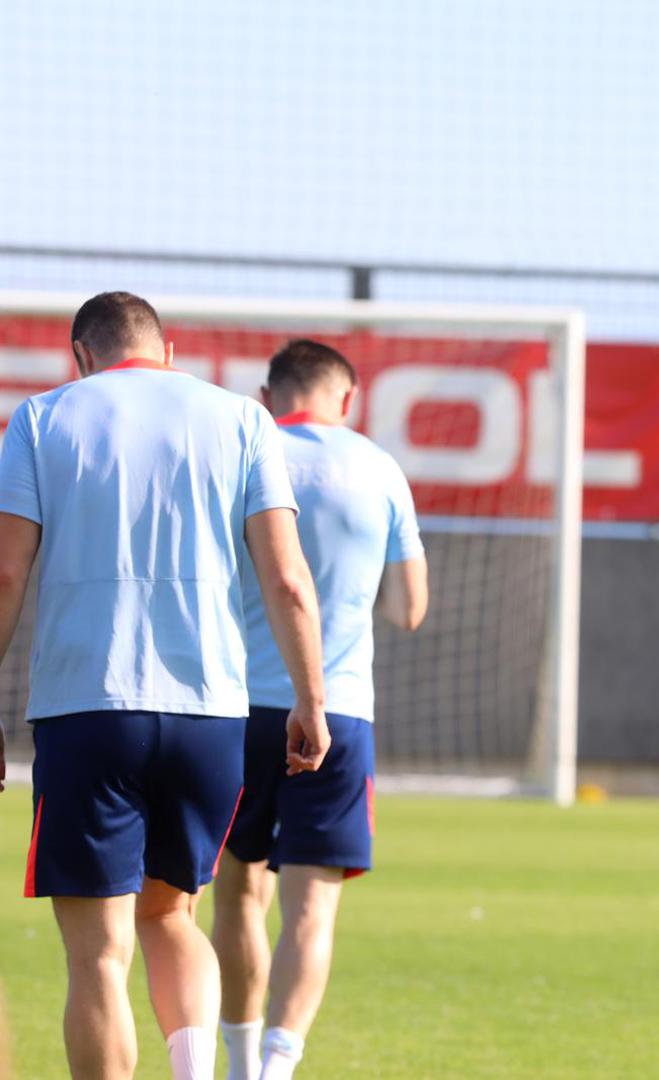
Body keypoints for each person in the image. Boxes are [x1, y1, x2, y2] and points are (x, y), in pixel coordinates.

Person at [0, 292, 328, 1080]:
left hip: (89, 709)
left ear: (80, 356)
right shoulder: (241, 420)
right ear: (168, 350)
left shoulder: (41, 419)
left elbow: (6, 569)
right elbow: (286, 578)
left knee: (98, 959)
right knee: (173, 916)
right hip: (211, 713)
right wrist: (311, 697)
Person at [210, 340, 428, 1080]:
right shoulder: (379, 467)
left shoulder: (248, 450)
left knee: (239, 891)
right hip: (340, 711)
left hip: (235, 706)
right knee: (312, 908)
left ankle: (238, 1065)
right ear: (350, 398)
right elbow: (409, 607)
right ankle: (278, 1067)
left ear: (269, 396)